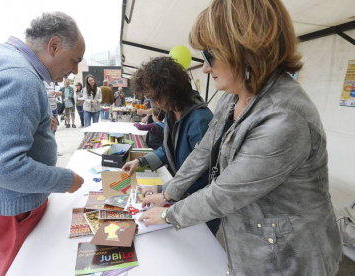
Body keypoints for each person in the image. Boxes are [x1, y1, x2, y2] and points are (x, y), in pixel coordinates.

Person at [138, 1, 342, 275]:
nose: (206, 69)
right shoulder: (233, 97)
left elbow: (225, 193)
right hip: (251, 245)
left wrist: (167, 214)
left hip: (289, 258)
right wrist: (169, 192)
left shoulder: (285, 116)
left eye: (209, 55)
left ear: (243, 50)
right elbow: (203, 151)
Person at [0, 12, 85, 276]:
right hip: (12, 203)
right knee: (23, 266)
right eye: (74, 61)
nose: (75, 70)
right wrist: (65, 180)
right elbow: (4, 166)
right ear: (54, 46)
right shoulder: (19, 78)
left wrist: (38, 125)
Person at [122, 56, 220, 234]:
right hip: (182, 196)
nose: (151, 104)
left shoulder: (199, 120)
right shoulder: (172, 111)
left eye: (153, 97)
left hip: (198, 205)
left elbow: (200, 174)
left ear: (168, 90)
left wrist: (163, 190)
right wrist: (141, 162)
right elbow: (169, 149)